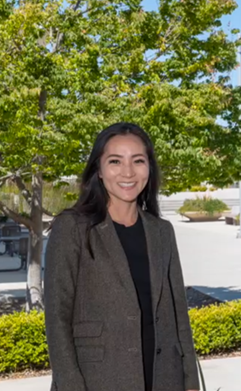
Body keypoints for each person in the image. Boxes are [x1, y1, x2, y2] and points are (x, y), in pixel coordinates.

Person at [44, 123, 200, 391]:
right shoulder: (72, 228)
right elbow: (57, 318)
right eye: (115, 161)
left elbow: (178, 315)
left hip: (164, 378)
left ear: (149, 169)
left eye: (138, 161)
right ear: (99, 170)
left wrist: (190, 382)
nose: (128, 172)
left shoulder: (162, 232)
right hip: (98, 379)